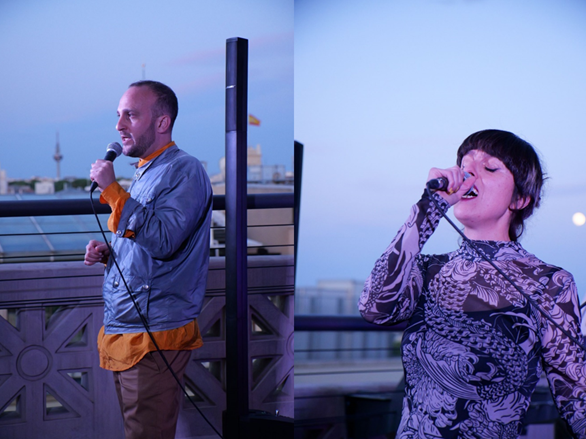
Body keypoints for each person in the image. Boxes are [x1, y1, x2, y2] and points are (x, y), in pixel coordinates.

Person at [358, 129, 586, 438]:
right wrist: (429, 207)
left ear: (520, 199)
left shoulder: (549, 283)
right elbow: (373, 308)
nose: (468, 173)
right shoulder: (428, 270)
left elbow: (576, 399)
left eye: (490, 168)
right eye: (464, 165)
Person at [84, 80, 213, 439]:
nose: (119, 125)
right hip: (129, 329)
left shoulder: (184, 170)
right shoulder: (147, 170)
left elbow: (166, 239)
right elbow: (149, 241)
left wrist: (113, 191)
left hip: (154, 335)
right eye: (118, 115)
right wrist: (111, 253)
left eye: (131, 115)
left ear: (162, 122)